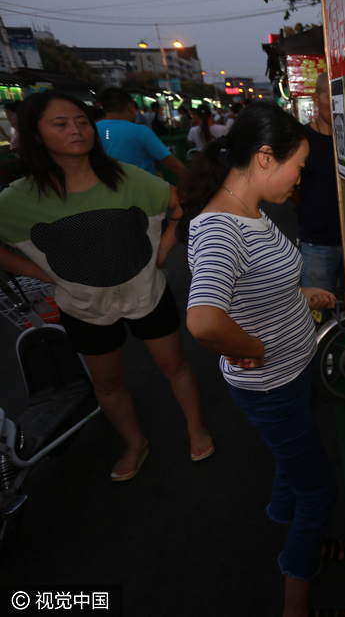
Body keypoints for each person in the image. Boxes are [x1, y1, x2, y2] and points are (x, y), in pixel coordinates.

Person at [178, 103, 345, 617]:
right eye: (297, 166)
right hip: (272, 385)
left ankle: (288, 519)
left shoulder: (251, 210)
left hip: (291, 375)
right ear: (264, 157)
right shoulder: (221, 228)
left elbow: (253, 289)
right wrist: (252, 347)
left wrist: (303, 296)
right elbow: (205, 320)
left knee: (292, 464)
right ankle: (296, 602)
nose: (299, 179)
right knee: (320, 492)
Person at [0, 90, 214, 481]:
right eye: (61, 124)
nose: (77, 130)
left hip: (147, 294)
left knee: (174, 365)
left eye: (82, 121)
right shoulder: (17, 200)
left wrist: (164, 248)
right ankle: (135, 442)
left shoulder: (126, 177)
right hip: (81, 305)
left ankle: (195, 426)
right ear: (34, 134)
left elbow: (180, 204)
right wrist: (43, 274)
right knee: (108, 381)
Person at [292, 73, 344, 295]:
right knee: (318, 307)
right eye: (330, 100)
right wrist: (311, 204)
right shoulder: (301, 139)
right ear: (316, 98)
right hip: (316, 243)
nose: (336, 107)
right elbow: (289, 188)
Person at [96, 88, 187, 178]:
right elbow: (173, 165)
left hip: (106, 189)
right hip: (142, 190)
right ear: (130, 106)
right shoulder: (140, 131)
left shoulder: (92, 129)